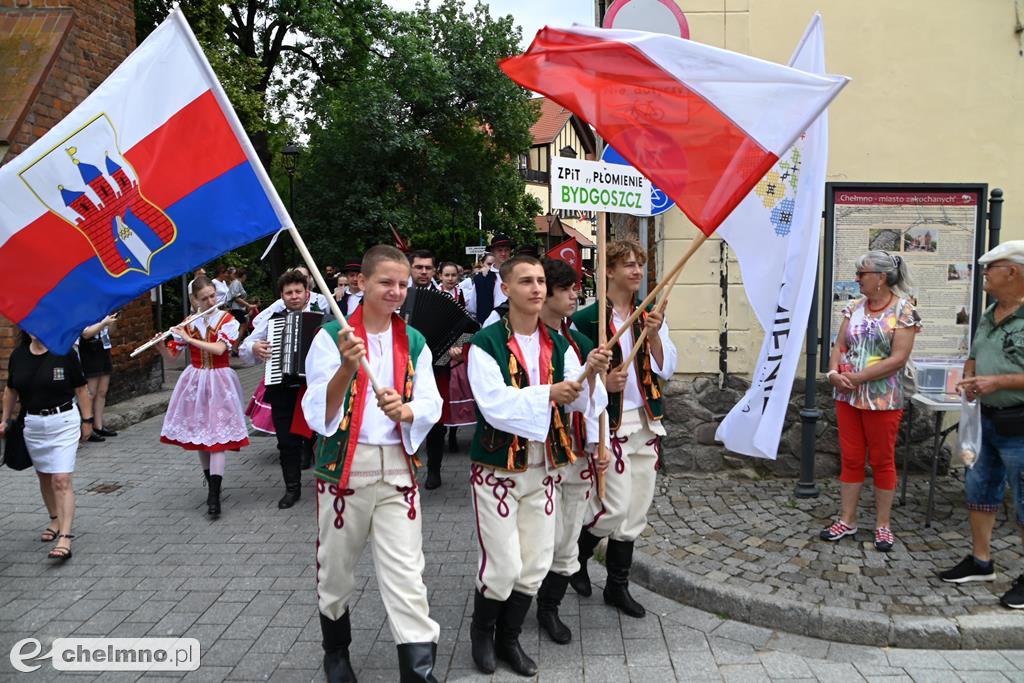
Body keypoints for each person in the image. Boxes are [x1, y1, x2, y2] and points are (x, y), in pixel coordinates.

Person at [302, 245, 442, 682]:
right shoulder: (331, 337)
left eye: (402, 284)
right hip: (347, 469)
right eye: (386, 282)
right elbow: (317, 411)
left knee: (407, 574)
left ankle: (418, 672)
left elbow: (432, 401)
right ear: (361, 283)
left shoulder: (413, 340)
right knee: (337, 571)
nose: (396, 291)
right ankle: (336, 651)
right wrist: (346, 367)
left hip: (397, 471)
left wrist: (408, 411)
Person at [467, 255, 608, 676]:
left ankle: (509, 639)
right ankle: (482, 632)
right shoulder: (485, 343)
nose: (536, 288)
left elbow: (582, 402)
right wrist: (550, 393)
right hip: (499, 470)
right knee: (503, 566)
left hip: (545, 467)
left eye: (541, 281)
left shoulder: (560, 344)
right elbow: (494, 406)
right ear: (506, 289)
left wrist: (591, 375)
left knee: (534, 565)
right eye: (525, 281)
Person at [571, 239, 678, 618]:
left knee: (635, 513)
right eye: (627, 265)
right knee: (612, 509)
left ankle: (617, 586)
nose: (636, 271)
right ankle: (574, 560)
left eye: (639, 265)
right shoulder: (587, 319)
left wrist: (652, 335)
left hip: (645, 420)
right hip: (608, 424)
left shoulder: (649, 313)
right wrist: (603, 384)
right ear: (609, 271)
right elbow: (573, 379)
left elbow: (666, 368)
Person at [941, 241, 1024, 608]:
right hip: (986, 421)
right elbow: (975, 354)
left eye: (992, 267)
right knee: (979, 491)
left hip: (1019, 423)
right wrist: (971, 377)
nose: (985, 274)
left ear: (1014, 272)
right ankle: (981, 560)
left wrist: (998, 382)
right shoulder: (992, 312)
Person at [820, 250, 919, 552]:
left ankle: (883, 524)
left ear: (882, 278)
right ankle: (847, 518)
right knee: (850, 457)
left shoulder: (904, 310)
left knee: (881, 459)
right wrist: (833, 372)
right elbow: (839, 344)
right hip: (847, 394)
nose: (857, 279)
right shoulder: (854, 307)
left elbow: (899, 359)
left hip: (883, 398)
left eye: (862, 274)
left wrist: (860, 378)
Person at [536, 258, 609, 644]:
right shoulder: (513, 339)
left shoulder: (580, 343)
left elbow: (595, 404)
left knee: (566, 536)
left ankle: (549, 607)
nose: (573, 295)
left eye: (573, 288)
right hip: (530, 455)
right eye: (565, 289)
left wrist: (601, 444)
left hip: (574, 450)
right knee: (532, 540)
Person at [155, 277, 249, 518]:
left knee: (217, 435)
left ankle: (214, 494)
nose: (211, 301)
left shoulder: (227, 320)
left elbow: (219, 349)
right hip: (195, 382)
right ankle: (211, 484)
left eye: (213, 295)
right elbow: (172, 357)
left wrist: (188, 339)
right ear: (193, 300)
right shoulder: (189, 322)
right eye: (204, 297)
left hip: (220, 380)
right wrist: (160, 346)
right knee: (201, 434)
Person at [2, 332, 93, 561]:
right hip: (32, 423)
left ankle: (65, 536)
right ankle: (54, 518)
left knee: (60, 478)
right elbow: (11, 390)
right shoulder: (18, 356)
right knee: (44, 476)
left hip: (63, 421)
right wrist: (5, 419)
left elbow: (81, 389)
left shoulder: (64, 353)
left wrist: (88, 420)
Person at [240, 270, 317, 509]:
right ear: (282, 296)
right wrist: (254, 348)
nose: (294, 296)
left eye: (298, 292)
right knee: (286, 441)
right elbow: (246, 345)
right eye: (288, 293)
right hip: (283, 388)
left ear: (307, 294)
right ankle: (291, 488)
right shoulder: (272, 319)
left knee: (325, 437)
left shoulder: (323, 317)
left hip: (315, 390)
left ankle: (329, 484)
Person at [78, 313, 118, 441]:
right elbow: (85, 334)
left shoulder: (105, 310)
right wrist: (103, 323)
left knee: (102, 391)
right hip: (90, 350)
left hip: (104, 349)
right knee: (91, 392)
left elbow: (111, 331)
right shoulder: (84, 311)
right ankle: (87, 426)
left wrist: (111, 323)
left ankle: (98, 425)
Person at [463, 236, 513, 323]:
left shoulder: (517, 276)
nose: (503, 253)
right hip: (490, 328)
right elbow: (472, 308)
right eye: (500, 250)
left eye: (507, 250)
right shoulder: (481, 279)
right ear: (492, 252)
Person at [227, 268, 254, 351]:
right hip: (236, 308)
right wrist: (248, 305)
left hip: (239, 308)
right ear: (244, 275)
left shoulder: (237, 283)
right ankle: (234, 347)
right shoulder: (236, 283)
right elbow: (236, 298)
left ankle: (234, 347)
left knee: (242, 326)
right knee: (243, 325)